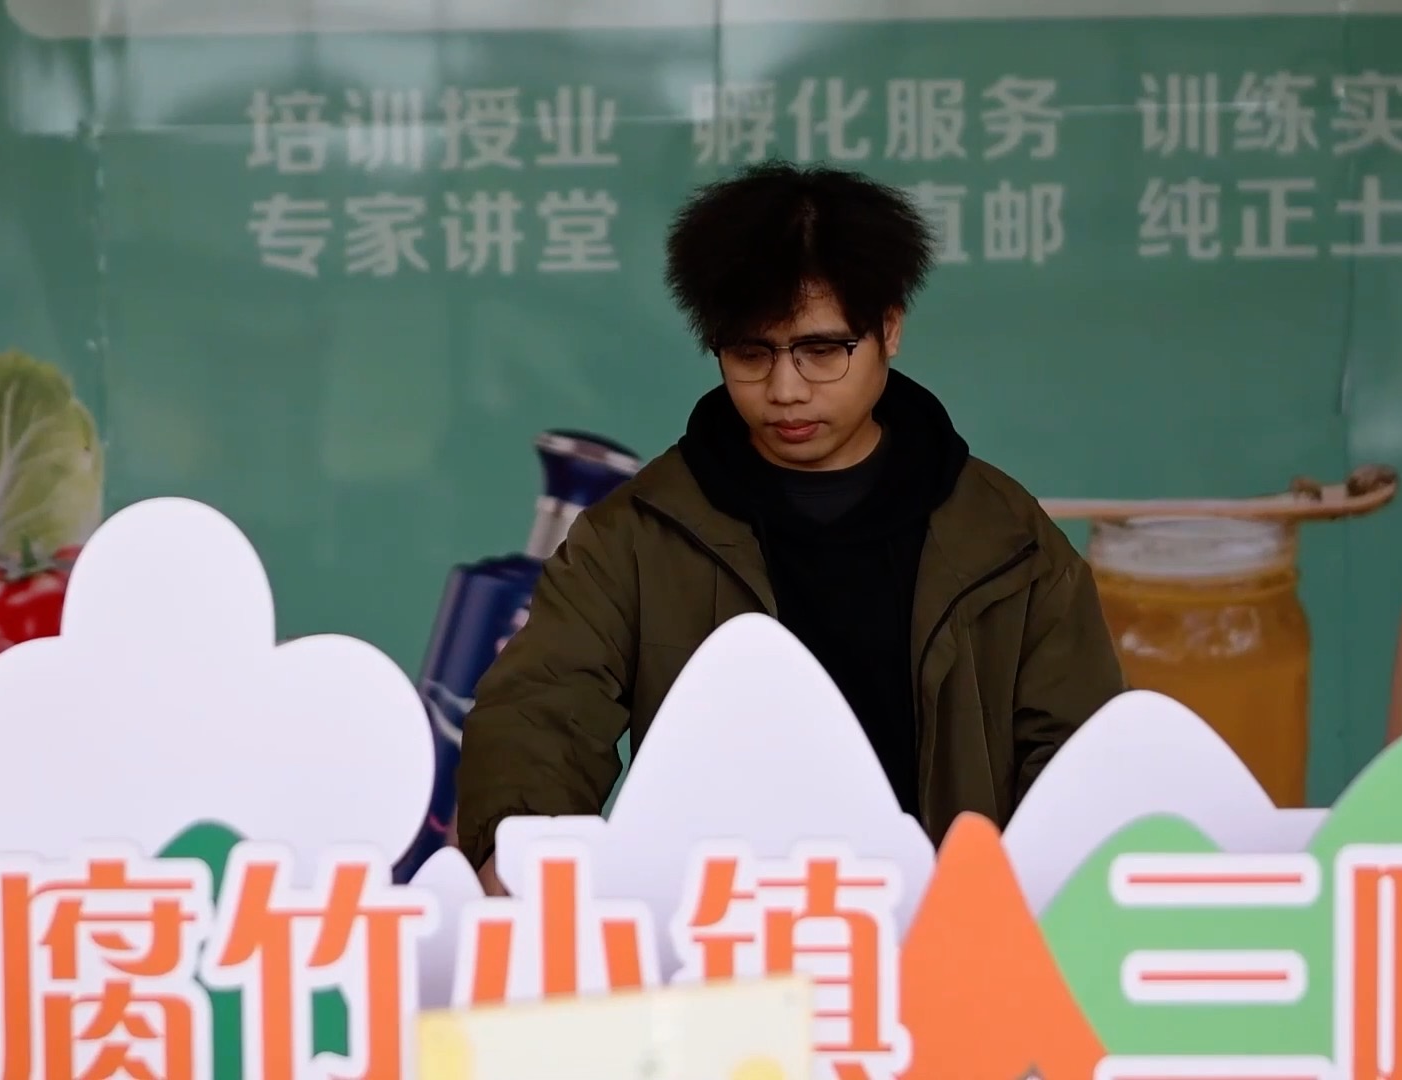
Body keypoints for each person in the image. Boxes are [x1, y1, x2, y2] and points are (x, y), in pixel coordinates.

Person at [453, 161, 1126, 894]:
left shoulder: (1005, 537)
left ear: (889, 328)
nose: (785, 389)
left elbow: (1075, 755)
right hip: (719, 927)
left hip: (949, 927)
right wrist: (521, 854)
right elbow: (542, 713)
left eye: (822, 350)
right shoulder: (637, 534)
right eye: (751, 353)